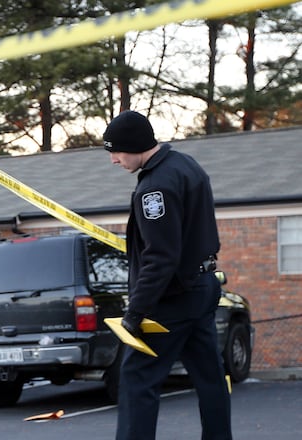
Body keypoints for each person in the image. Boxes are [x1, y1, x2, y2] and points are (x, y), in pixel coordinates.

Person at [103, 111, 232, 440]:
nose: (114, 160)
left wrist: (136, 312)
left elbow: (161, 256)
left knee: (137, 378)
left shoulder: (155, 187)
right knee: (210, 377)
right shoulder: (186, 165)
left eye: (116, 152)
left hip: (174, 298)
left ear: (134, 145)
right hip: (204, 285)